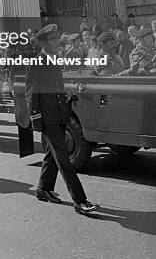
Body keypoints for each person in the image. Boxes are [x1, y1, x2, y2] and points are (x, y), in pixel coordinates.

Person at [25, 24, 99, 214]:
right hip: (48, 117)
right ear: (43, 43)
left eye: (57, 39)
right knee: (64, 159)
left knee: (53, 154)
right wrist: (36, 118)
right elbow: (31, 93)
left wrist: (70, 95)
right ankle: (80, 201)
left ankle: (43, 189)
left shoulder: (52, 59)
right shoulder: (37, 62)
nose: (57, 42)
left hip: (59, 114)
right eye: (52, 40)